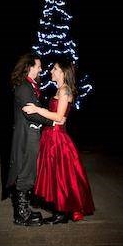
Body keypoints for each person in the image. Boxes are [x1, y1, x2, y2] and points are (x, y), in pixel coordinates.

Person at [23, 59, 95, 224]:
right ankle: (60, 211)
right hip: (50, 136)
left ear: (62, 72)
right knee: (54, 175)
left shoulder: (65, 91)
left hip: (57, 139)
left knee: (60, 176)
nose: (51, 71)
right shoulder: (60, 90)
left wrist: (37, 109)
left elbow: (59, 117)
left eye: (54, 69)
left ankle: (61, 213)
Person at [6, 52, 64, 226]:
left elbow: (35, 111)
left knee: (29, 171)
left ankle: (23, 210)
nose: (41, 69)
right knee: (26, 172)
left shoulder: (29, 86)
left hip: (31, 134)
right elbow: (30, 114)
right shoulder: (24, 86)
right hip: (27, 136)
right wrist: (53, 121)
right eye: (38, 66)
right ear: (30, 67)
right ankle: (21, 214)